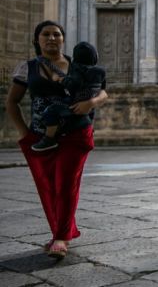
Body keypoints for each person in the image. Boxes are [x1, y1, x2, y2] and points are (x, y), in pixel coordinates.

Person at [6, 21, 108, 259]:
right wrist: (23, 132)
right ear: (37, 39)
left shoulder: (78, 65)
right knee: (48, 186)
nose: (52, 38)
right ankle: (63, 231)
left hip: (75, 133)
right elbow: (12, 102)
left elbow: (103, 91)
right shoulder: (27, 68)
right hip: (40, 135)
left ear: (63, 39)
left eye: (57, 34)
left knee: (65, 184)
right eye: (46, 34)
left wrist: (91, 103)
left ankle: (60, 238)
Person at [31, 41, 106, 152]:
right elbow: (102, 89)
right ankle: (90, 127)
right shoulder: (100, 72)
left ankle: (49, 138)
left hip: (73, 105)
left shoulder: (78, 69)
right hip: (88, 108)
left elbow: (73, 85)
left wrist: (62, 80)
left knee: (51, 110)